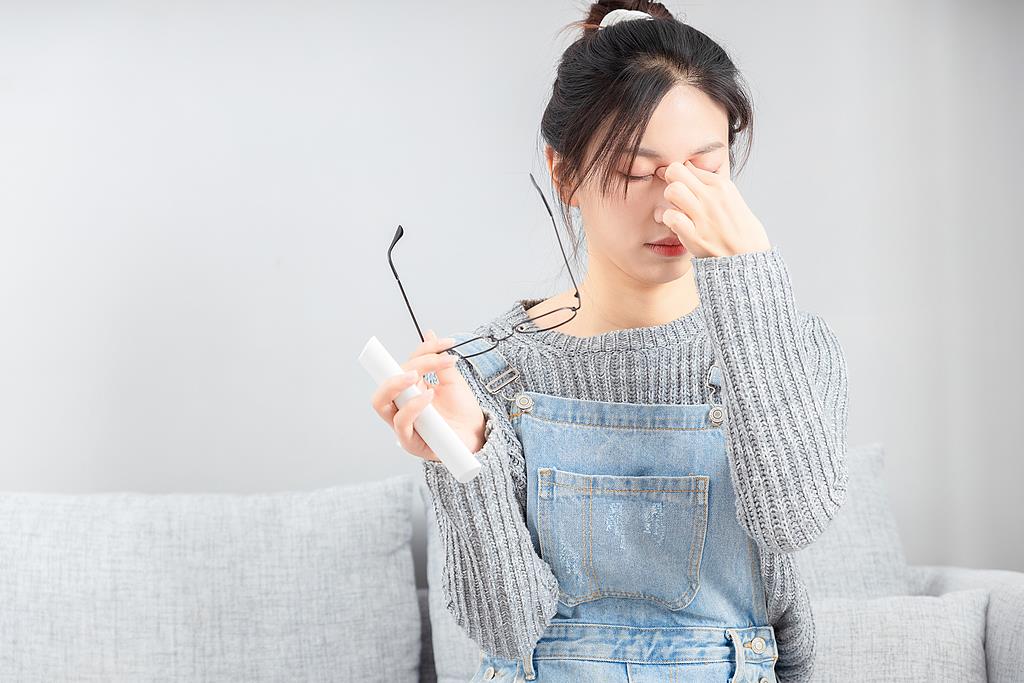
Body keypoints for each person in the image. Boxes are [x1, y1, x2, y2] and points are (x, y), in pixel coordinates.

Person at [370, 2, 849, 681]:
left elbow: (793, 518)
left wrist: (747, 280)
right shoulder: (491, 373)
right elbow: (507, 630)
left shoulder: (792, 346)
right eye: (635, 171)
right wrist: (464, 459)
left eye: (704, 168)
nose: (673, 203)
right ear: (564, 173)